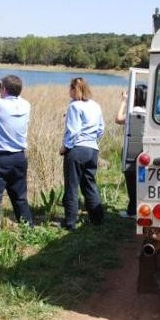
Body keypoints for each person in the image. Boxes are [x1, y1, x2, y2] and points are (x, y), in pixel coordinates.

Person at [0, 75, 33, 235]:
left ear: (3, 89)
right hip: (19, 157)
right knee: (20, 196)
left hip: (0, 158)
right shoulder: (26, 105)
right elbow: (14, 95)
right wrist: (4, 86)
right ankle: (28, 228)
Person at [59, 77, 105, 229]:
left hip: (77, 149)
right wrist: (91, 140)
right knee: (89, 184)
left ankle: (70, 222)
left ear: (75, 90)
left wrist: (65, 147)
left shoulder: (74, 106)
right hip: (92, 150)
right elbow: (100, 129)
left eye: (70, 89)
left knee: (72, 186)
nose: (68, 92)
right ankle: (97, 218)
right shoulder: (95, 105)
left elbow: (73, 131)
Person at [115, 84, 147, 218]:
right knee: (142, 180)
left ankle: (132, 211)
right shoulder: (149, 112)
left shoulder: (134, 112)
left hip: (132, 150)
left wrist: (123, 102)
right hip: (144, 150)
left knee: (131, 180)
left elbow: (118, 119)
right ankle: (139, 208)